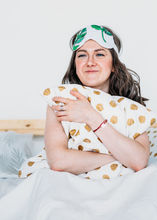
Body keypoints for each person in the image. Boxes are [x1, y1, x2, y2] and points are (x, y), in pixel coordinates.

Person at [45, 24, 150, 175]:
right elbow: (58, 162)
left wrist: (90, 116)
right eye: (82, 55)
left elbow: (139, 161)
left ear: (113, 65)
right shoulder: (60, 101)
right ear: (75, 65)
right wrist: (119, 157)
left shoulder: (131, 107)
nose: (90, 62)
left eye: (99, 54)